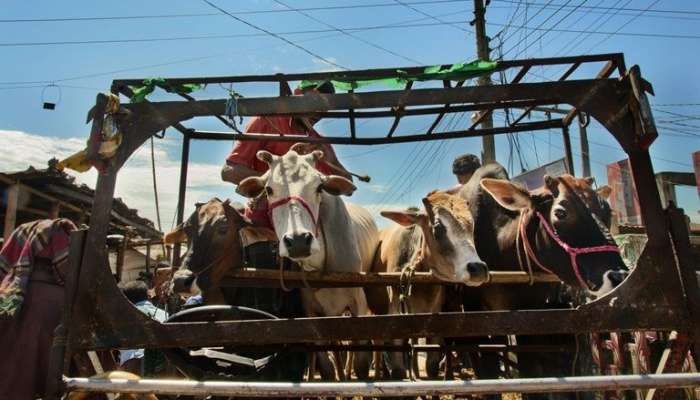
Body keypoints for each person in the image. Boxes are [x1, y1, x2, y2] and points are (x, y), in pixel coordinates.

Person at [221, 81, 353, 228]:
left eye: (324, 109)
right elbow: (228, 172)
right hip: (264, 220)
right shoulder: (266, 122)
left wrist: (331, 161)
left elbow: (348, 186)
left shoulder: (318, 142)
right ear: (297, 95)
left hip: (309, 223)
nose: (317, 112)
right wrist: (277, 181)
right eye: (314, 103)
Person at [118, 280, 168, 375]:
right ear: (148, 294)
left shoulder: (122, 318)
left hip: (132, 369)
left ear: (125, 299)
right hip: (162, 366)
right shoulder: (165, 314)